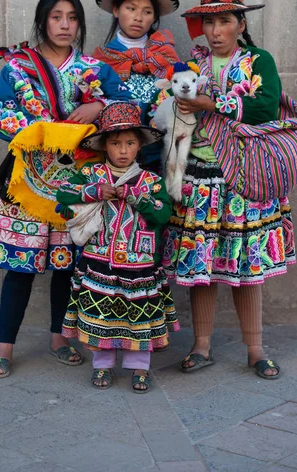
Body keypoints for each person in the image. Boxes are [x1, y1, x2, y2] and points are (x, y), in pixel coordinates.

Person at [0, 0, 133, 378]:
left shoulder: (94, 69)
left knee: (67, 267)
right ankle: (4, 349)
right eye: (56, 17)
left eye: (72, 18)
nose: (65, 25)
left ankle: (58, 338)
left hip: (76, 185)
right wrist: (46, 132)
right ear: (42, 21)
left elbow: (128, 109)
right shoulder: (18, 69)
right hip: (28, 185)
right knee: (20, 267)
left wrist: (99, 106)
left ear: (80, 24)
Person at [162, 0, 296, 379]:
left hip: (244, 180)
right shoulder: (193, 64)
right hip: (199, 178)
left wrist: (212, 102)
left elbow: (266, 108)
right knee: (202, 269)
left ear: (240, 23)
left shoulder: (259, 62)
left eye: (224, 22)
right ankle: (202, 346)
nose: (215, 31)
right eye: (208, 23)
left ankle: (255, 348)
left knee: (248, 266)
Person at [56, 102, 180, 392]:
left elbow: (163, 214)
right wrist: (95, 192)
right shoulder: (90, 174)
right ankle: (102, 366)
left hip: (139, 265)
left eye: (129, 143)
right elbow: (62, 194)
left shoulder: (150, 181)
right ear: (104, 146)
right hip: (99, 261)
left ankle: (139, 368)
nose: (123, 150)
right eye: (115, 143)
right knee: (102, 314)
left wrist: (137, 197)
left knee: (138, 315)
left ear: (139, 146)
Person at [92, 0, 180, 169]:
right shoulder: (100, 60)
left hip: (162, 157)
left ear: (154, 17)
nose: (138, 17)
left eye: (147, 12)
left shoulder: (165, 56)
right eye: (131, 9)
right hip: (117, 159)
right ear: (116, 10)